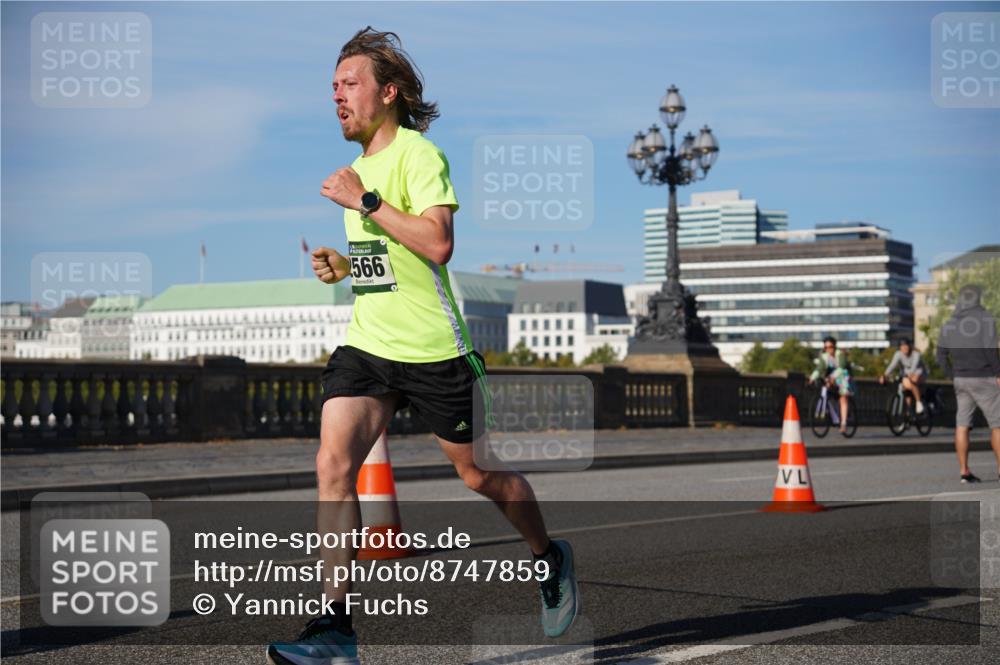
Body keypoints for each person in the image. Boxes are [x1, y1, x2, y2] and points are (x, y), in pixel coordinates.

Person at [266, 28, 578, 665]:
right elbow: (390, 258)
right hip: (369, 346)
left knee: (476, 475)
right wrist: (346, 265)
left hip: (436, 350)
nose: (336, 97)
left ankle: (549, 557)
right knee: (332, 465)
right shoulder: (359, 172)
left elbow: (436, 246)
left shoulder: (418, 156)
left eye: (348, 84)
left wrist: (366, 201)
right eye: (332, 87)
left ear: (389, 93)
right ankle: (333, 630)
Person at [936, 284, 1000, 484]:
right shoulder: (985, 319)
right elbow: (991, 350)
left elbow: (940, 354)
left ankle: (964, 471)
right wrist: (998, 373)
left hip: (961, 380)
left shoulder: (949, 324)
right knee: (998, 426)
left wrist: (951, 374)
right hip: (984, 377)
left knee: (962, 425)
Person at [808, 336, 854, 435]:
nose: (829, 349)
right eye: (826, 347)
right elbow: (819, 369)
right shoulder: (824, 356)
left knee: (843, 397)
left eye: (831, 347)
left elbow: (842, 367)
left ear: (835, 346)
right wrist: (812, 378)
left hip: (843, 376)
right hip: (831, 377)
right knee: (827, 389)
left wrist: (832, 377)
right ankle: (834, 413)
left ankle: (844, 424)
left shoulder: (840, 354)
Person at [878, 337, 928, 414]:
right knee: (905, 389)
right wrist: (885, 375)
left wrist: (910, 374)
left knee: (913, 380)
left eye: (906, 346)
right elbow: (892, 365)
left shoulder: (916, 354)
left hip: (919, 372)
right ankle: (909, 411)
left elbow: (915, 365)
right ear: (900, 348)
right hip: (906, 374)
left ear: (910, 346)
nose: (905, 348)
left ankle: (918, 403)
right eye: (902, 346)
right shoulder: (898, 354)